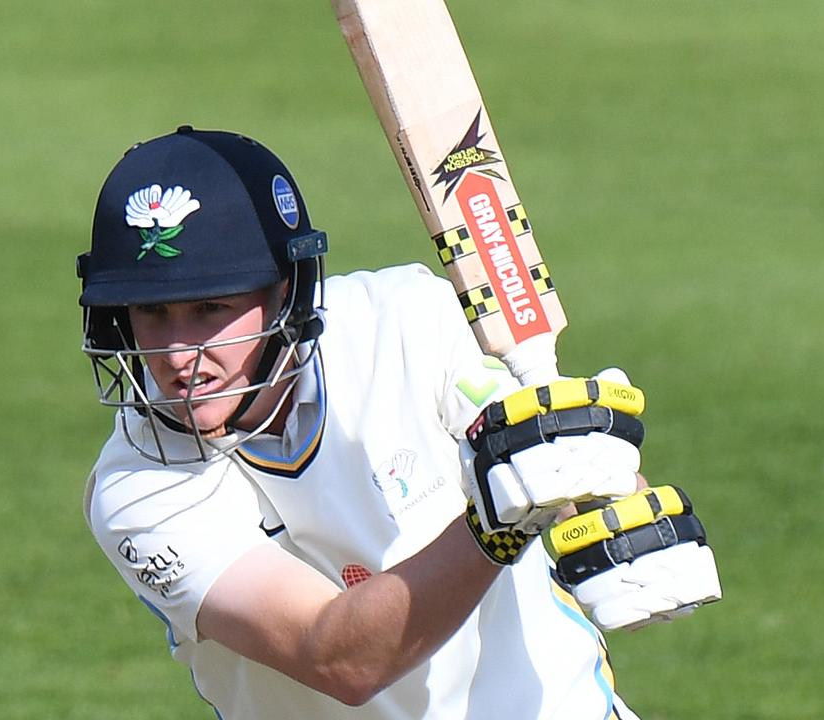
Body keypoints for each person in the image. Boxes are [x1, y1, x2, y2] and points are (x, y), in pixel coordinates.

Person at [76, 125, 720, 719]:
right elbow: (336, 657)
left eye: (211, 308)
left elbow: (545, 455)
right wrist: (494, 526)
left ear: (288, 292)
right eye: (151, 312)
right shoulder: (138, 485)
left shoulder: (406, 321)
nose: (178, 354)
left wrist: (609, 487)